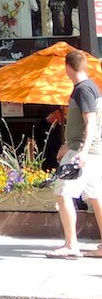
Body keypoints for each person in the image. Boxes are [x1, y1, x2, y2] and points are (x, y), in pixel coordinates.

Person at [48, 51, 102, 258]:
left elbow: (91, 124)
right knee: (96, 197)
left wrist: (82, 152)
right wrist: (66, 144)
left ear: (68, 67)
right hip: (88, 150)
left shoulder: (82, 90)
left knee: (62, 194)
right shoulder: (92, 88)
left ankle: (71, 245)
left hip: (83, 152)